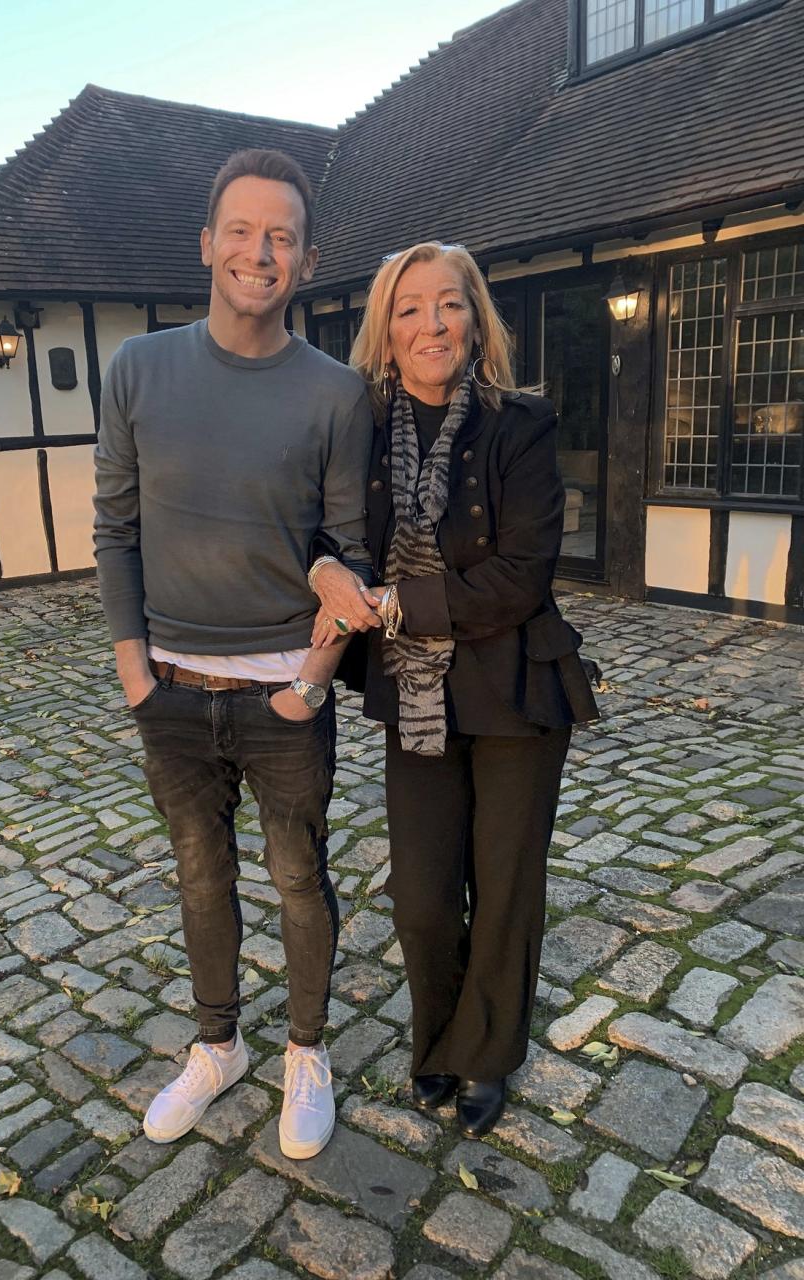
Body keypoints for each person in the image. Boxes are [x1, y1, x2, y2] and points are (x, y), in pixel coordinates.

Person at [92, 149, 380, 1160]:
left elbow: (348, 554)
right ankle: (218, 1045)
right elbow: (114, 528)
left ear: (306, 257)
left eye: (283, 235)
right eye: (243, 230)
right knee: (198, 875)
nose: (262, 252)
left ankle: (307, 1050)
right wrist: (135, 672)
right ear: (208, 242)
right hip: (169, 691)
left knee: (299, 876)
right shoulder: (138, 370)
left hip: (284, 698)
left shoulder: (338, 394)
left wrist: (309, 683)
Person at [319, 241, 598, 1138]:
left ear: (476, 320)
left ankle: (484, 1056)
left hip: (517, 691)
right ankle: (436, 1038)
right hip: (416, 694)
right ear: (386, 332)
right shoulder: (361, 429)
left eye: (449, 304)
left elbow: (521, 575)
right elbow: (335, 534)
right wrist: (333, 570)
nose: (430, 323)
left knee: (505, 886)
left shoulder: (522, 424)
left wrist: (395, 602)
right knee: (424, 896)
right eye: (409, 309)